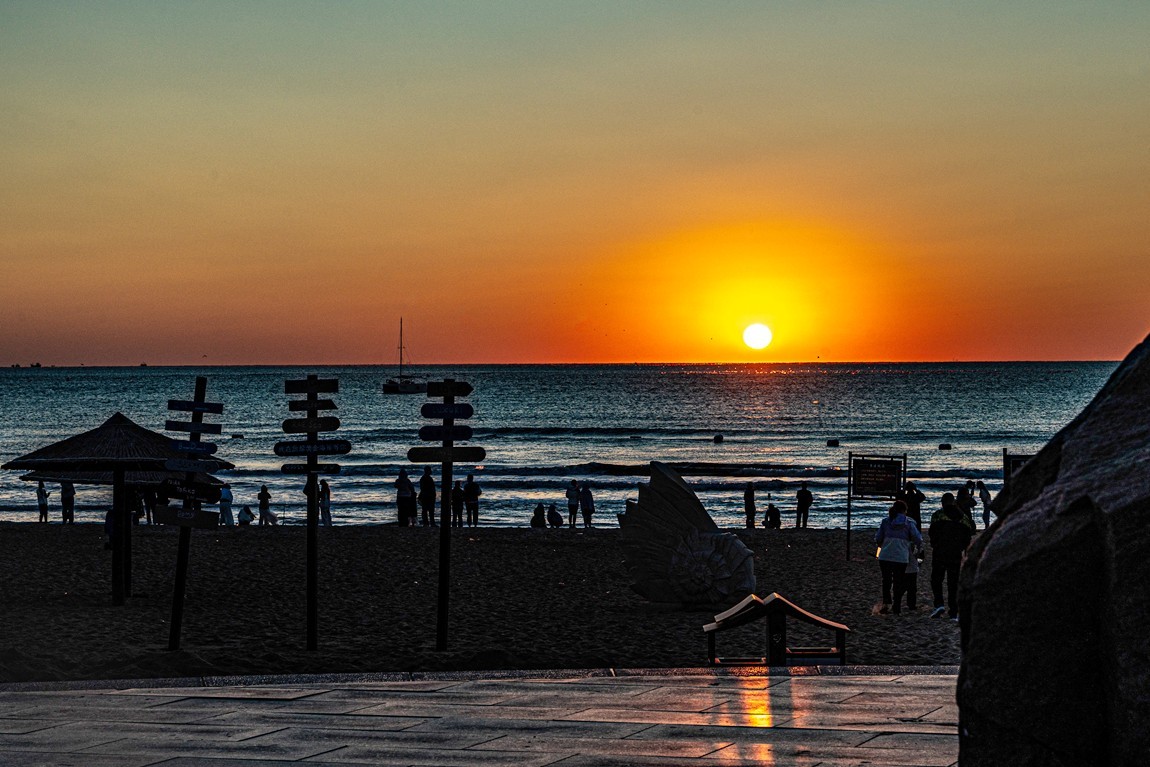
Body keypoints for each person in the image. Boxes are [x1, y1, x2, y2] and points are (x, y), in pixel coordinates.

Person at [929, 492, 974, 620]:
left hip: (940, 551)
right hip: (955, 553)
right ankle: (953, 611)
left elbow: (932, 533)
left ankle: (939, 604)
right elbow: (968, 535)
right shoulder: (963, 517)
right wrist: (964, 548)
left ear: (942, 503)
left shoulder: (938, 515)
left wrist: (934, 544)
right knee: (953, 582)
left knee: (936, 579)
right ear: (953, 502)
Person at [874, 500, 922, 615]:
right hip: (901, 556)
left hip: (885, 555)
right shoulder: (908, 523)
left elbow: (878, 538)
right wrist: (913, 545)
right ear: (905, 511)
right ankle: (897, 606)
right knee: (898, 581)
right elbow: (918, 538)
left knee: (886, 580)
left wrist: (881, 544)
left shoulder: (886, 521)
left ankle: (886, 603)